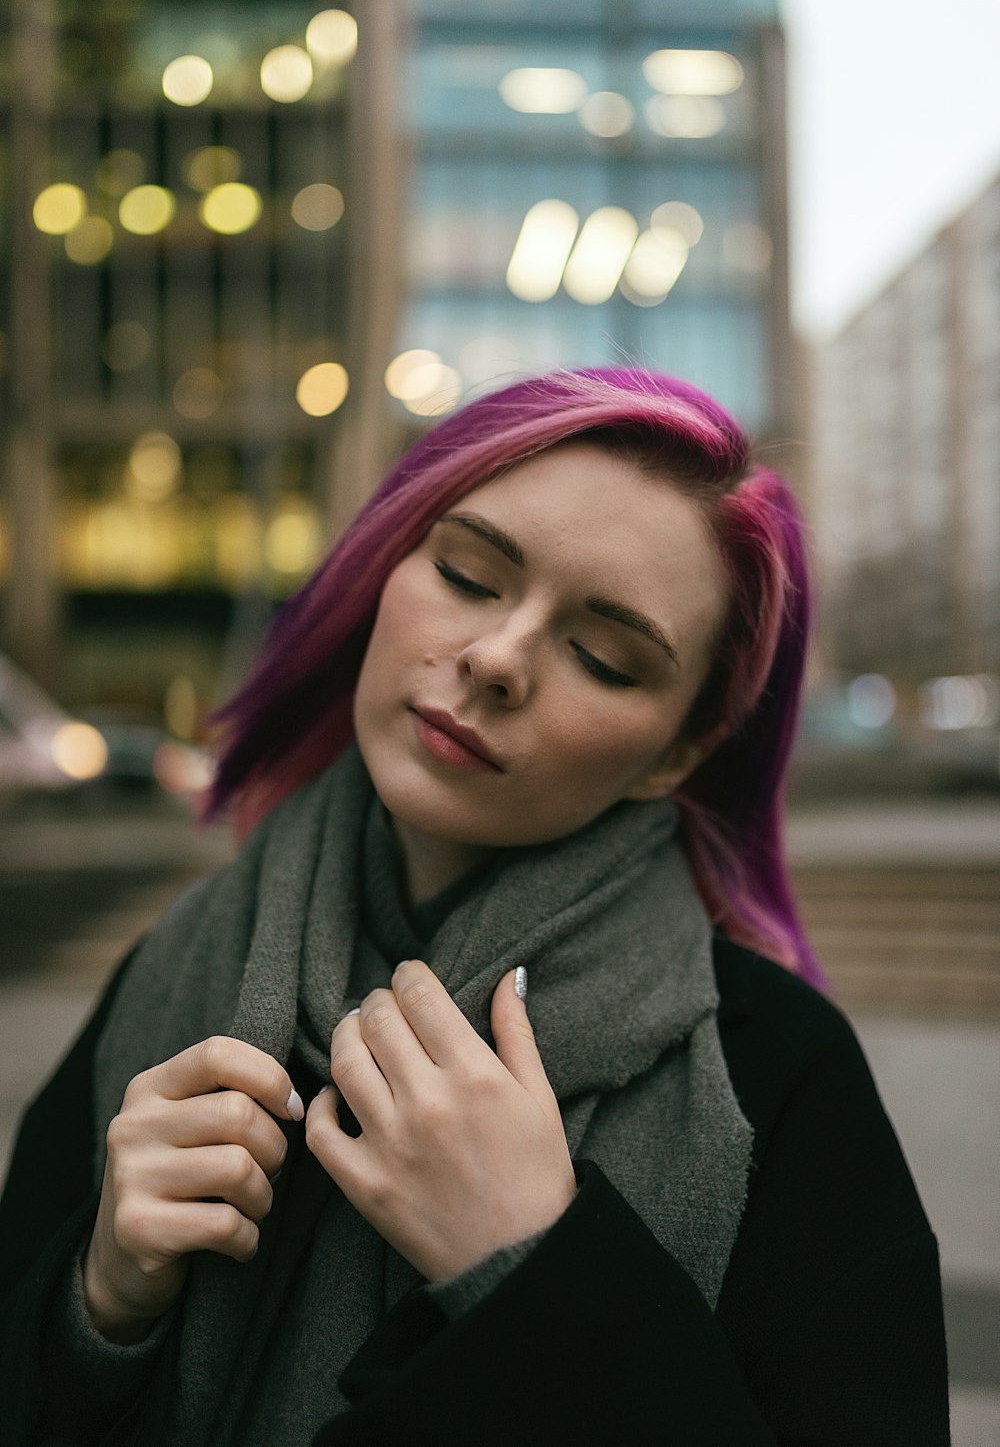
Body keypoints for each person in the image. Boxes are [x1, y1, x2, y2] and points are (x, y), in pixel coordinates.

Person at [0, 367, 949, 1446]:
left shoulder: (777, 1074)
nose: (496, 659)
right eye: (466, 573)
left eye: (603, 655)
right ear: (386, 565)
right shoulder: (177, 964)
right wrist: (100, 1299)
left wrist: (537, 1272)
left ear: (674, 753)